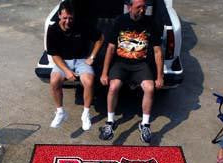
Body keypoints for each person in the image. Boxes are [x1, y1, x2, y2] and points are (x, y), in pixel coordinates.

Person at [99, 0, 164, 143]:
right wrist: (104, 73)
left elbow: (158, 51)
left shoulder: (150, 23)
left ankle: (145, 124)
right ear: (129, 7)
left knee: (150, 88)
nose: (142, 10)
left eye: (144, 7)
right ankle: (110, 122)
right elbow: (110, 48)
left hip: (141, 64)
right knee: (113, 86)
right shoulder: (120, 21)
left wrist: (160, 77)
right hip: (121, 63)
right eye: (138, 7)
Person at [47, 1, 104, 130]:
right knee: (54, 80)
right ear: (59, 16)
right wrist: (66, 71)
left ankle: (85, 114)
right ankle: (60, 112)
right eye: (65, 18)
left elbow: (100, 38)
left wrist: (92, 57)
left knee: (89, 82)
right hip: (63, 61)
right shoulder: (53, 30)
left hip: (81, 60)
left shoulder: (82, 25)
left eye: (70, 18)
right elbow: (54, 55)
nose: (68, 21)